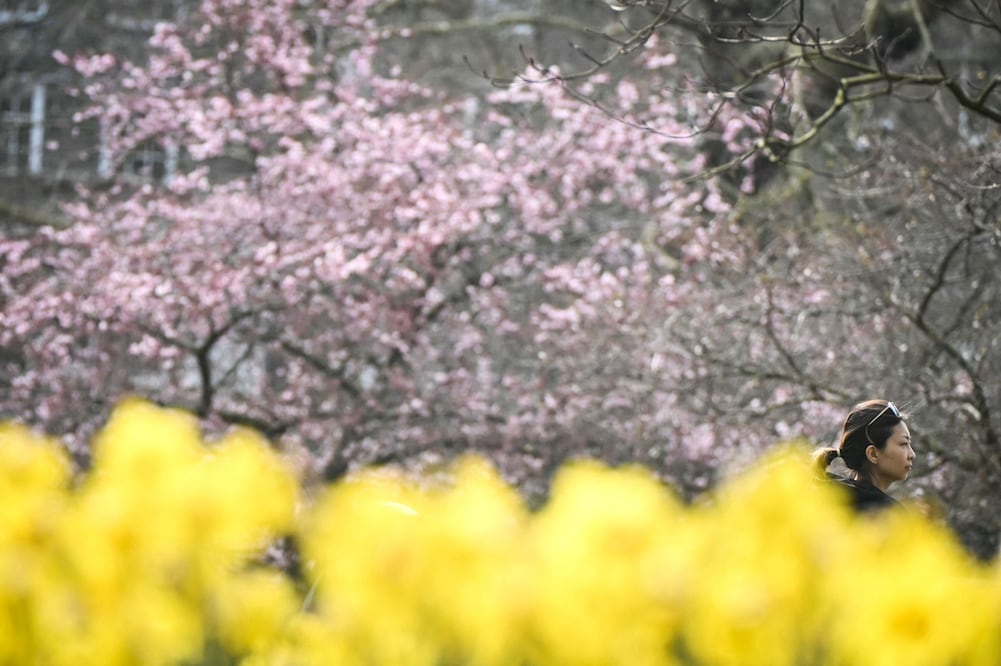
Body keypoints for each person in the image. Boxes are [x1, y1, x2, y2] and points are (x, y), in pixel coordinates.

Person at [813, 399, 916, 512]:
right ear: (873, 454)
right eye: (903, 444)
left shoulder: (825, 501)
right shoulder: (889, 516)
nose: (912, 455)